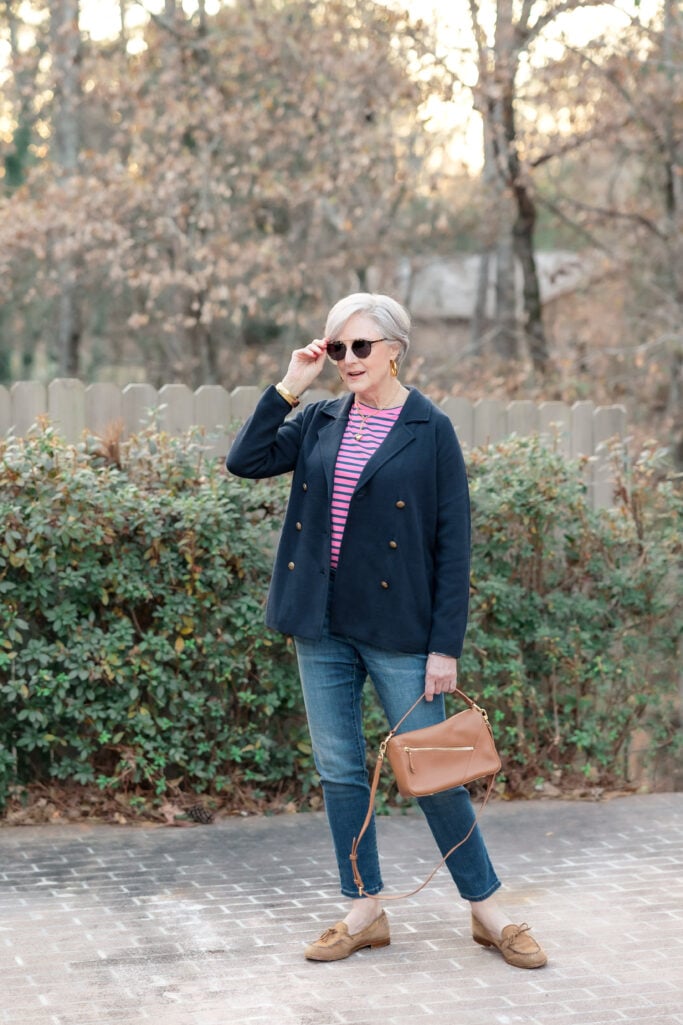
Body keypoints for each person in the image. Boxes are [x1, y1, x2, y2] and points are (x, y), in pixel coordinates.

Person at [226, 293, 547, 969]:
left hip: (399, 628)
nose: (347, 360)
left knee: (434, 771)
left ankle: (486, 909)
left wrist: (444, 646)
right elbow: (245, 458)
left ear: (395, 348)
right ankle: (363, 907)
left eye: (360, 346)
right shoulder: (317, 418)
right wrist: (289, 383)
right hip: (321, 624)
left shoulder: (429, 428)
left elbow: (451, 544)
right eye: (336, 347)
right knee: (340, 769)